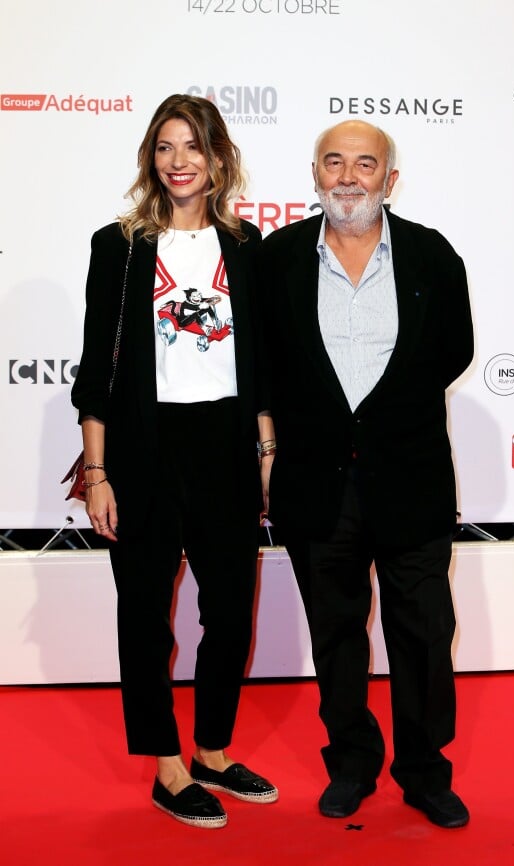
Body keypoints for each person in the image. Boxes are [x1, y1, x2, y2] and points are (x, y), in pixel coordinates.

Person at [72, 94, 277, 829]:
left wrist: (265, 448)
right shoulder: (119, 244)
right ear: (150, 158)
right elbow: (97, 367)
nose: (179, 161)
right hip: (143, 449)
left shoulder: (248, 246)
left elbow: (260, 362)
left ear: (219, 158)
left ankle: (214, 752)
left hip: (225, 447)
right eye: (165, 146)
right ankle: (165, 765)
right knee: (146, 617)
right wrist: (96, 474)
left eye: (193, 147)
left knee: (228, 612)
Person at [260, 120, 473, 828]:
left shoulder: (432, 257)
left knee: (423, 632)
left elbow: (452, 350)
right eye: (334, 162)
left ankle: (423, 770)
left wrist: (382, 420)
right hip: (316, 486)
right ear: (314, 174)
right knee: (337, 635)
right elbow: (263, 367)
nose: (348, 176)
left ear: (390, 178)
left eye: (365, 163)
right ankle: (352, 762)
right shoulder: (279, 259)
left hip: (410, 483)